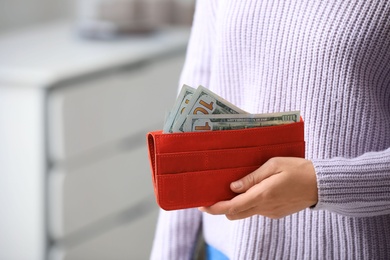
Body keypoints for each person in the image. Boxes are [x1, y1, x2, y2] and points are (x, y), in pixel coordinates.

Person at [150, 0, 390, 259]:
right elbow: (188, 117)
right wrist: (168, 253)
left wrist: (322, 185)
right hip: (226, 248)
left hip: (349, 248)